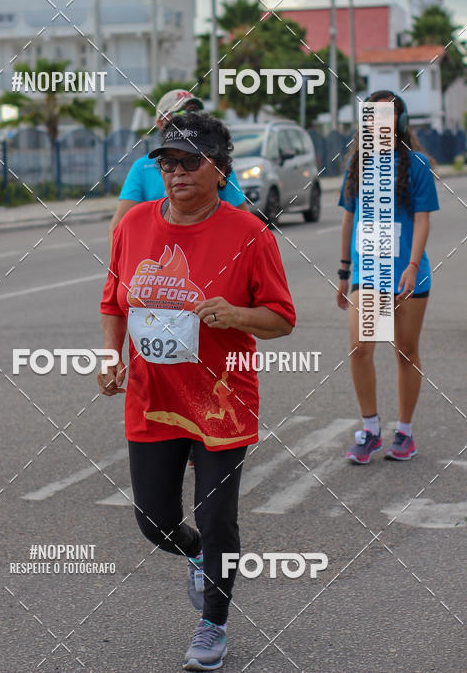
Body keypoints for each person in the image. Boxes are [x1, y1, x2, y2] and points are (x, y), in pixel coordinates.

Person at [99, 111, 295, 671]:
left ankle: (213, 624)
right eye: (167, 161)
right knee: (154, 520)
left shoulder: (247, 233)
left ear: (219, 168)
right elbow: (114, 302)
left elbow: (282, 318)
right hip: (153, 397)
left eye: (190, 161)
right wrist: (111, 357)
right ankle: (195, 556)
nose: (177, 171)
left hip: (221, 401)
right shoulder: (134, 224)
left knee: (218, 518)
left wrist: (235, 314)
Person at [337, 91, 439, 464]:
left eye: (387, 115)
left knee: (405, 352)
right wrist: (344, 271)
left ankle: (405, 432)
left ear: (400, 121)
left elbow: (424, 217)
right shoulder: (357, 165)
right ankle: (371, 429)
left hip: (408, 275)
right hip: (368, 274)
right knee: (361, 348)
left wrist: (412, 266)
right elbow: (349, 219)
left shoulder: (417, 165)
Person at [109, 88, 247, 241]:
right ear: (161, 123)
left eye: (194, 113)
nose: (188, 119)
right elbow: (119, 224)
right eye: (180, 114)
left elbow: (243, 221)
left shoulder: (212, 163)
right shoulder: (142, 168)